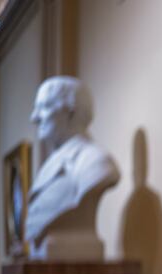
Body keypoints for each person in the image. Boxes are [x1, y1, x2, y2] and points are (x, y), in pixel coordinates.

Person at [26, 76, 120, 259]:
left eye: (44, 107)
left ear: (70, 112)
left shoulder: (96, 162)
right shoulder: (47, 167)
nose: (34, 117)